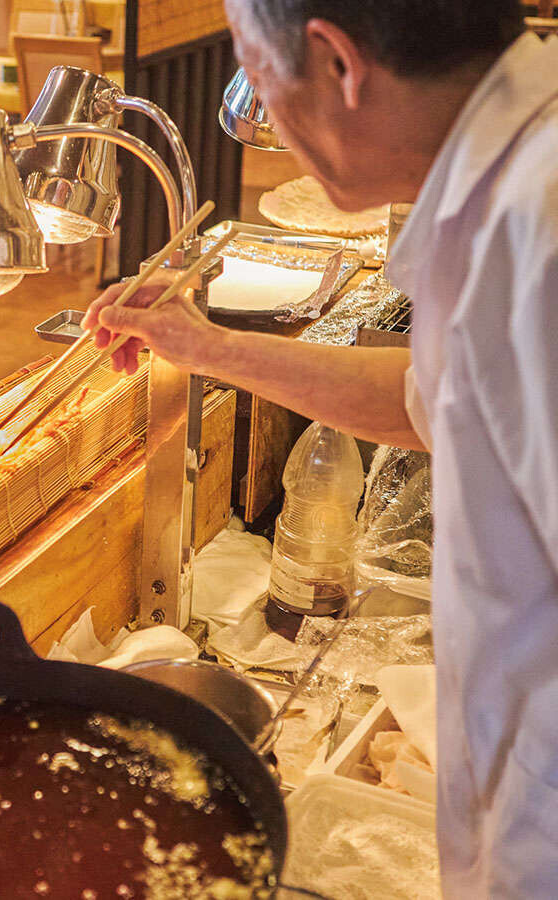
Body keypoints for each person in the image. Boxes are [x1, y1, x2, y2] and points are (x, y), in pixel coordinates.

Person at [84, 2, 558, 895]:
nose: (265, 121)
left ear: (336, 60)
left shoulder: (539, 229)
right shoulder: (505, 178)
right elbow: (433, 405)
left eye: (259, 82)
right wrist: (206, 346)